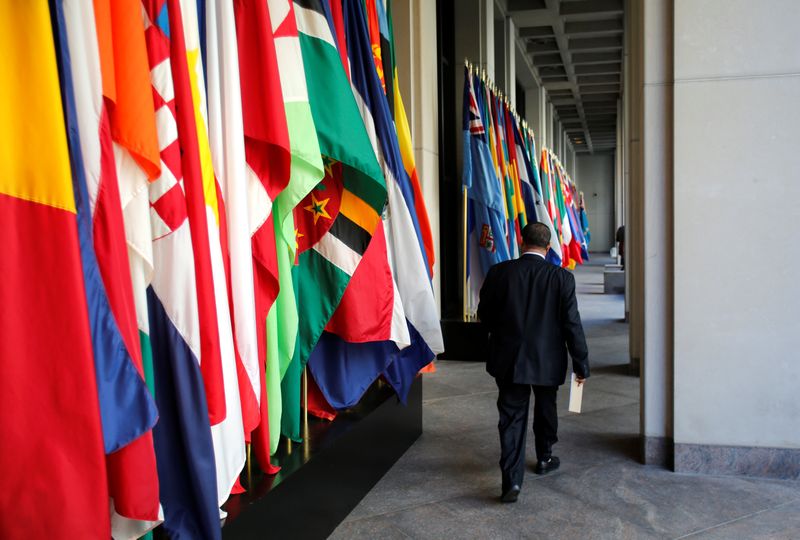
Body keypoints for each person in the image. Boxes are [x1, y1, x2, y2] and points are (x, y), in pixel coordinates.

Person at [477, 222, 590, 503]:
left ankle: (512, 481)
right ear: (548, 247)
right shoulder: (562, 278)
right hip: (547, 359)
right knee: (546, 407)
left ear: (520, 241)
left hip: (509, 359)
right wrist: (581, 362)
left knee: (511, 418)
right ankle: (544, 457)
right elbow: (571, 324)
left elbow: (485, 315)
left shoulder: (499, 272)